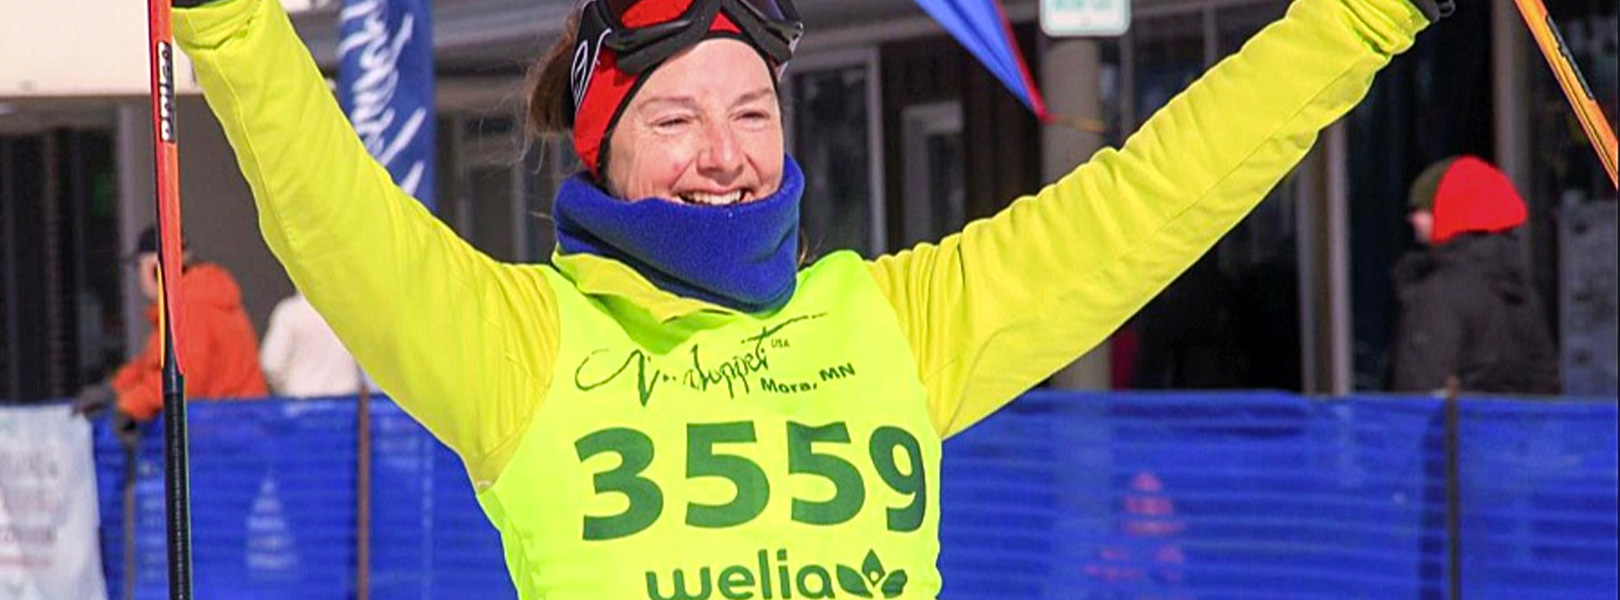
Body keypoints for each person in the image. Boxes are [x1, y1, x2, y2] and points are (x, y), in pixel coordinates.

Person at [169, 0, 1447, 596]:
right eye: (674, 117)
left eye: (752, 111)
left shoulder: (894, 322)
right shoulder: (522, 345)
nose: (723, 152)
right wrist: (230, 25)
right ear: (602, 151)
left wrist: (1358, 19)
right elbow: (333, 209)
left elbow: (1153, 197)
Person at [1389, 156, 1560, 394]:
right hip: (1519, 430)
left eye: (1421, 209)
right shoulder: (1519, 289)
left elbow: (1418, 397)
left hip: (1455, 430)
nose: (1412, 219)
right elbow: (1547, 385)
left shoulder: (1440, 293)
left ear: (1447, 211)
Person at [74, 227, 268, 428]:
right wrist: (114, 389)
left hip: (224, 437)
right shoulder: (195, 298)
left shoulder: (190, 306)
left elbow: (182, 378)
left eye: (138, 266)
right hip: (234, 428)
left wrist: (130, 406)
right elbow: (153, 365)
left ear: (154, 268)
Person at [261, 292, 363, 398]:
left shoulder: (289, 313)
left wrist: (286, 392)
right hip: (346, 403)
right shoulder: (350, 311)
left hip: (301, 403)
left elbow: (272, 365)